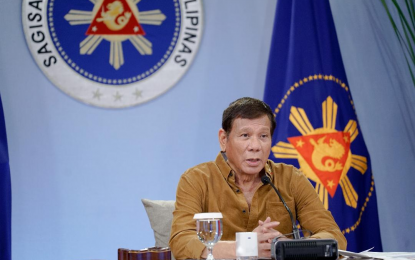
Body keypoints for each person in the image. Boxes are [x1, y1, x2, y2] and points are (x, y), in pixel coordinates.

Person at [169, 97, 346, 259]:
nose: (255, 146)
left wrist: (290, 247)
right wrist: (245, 247)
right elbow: (181, 242)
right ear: (224, 139)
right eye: (245, 135)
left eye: (263, 136)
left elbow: (333, 236)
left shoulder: (291, 178)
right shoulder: (196, 180)